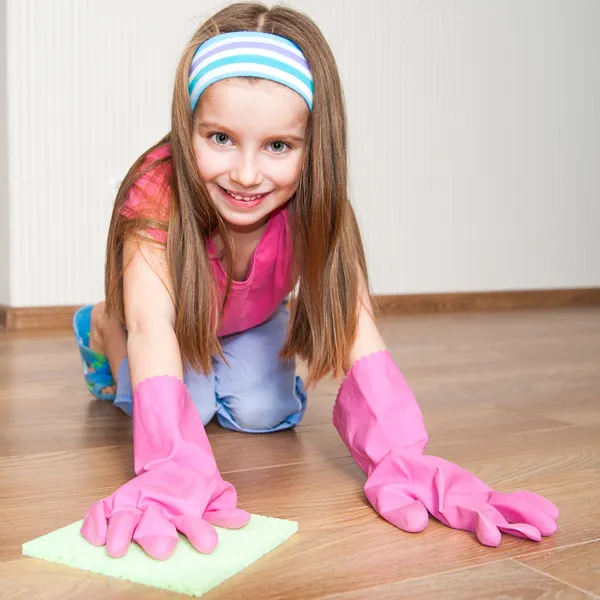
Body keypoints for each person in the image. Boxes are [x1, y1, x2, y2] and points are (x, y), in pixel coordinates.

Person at [73, 1, 559, 561]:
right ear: (188, 128)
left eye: (278, 146)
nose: (247, 174)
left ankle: (235, 357)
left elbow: (354, 323)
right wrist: (170, 465)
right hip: (170, 321)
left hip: (250, 317)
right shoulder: (156, 194)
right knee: (191, 410)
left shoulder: (316, 203)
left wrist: (401, 455)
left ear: (312, 145)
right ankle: (100, 326)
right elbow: (151, 323)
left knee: (266, 414)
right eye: (220, 138)